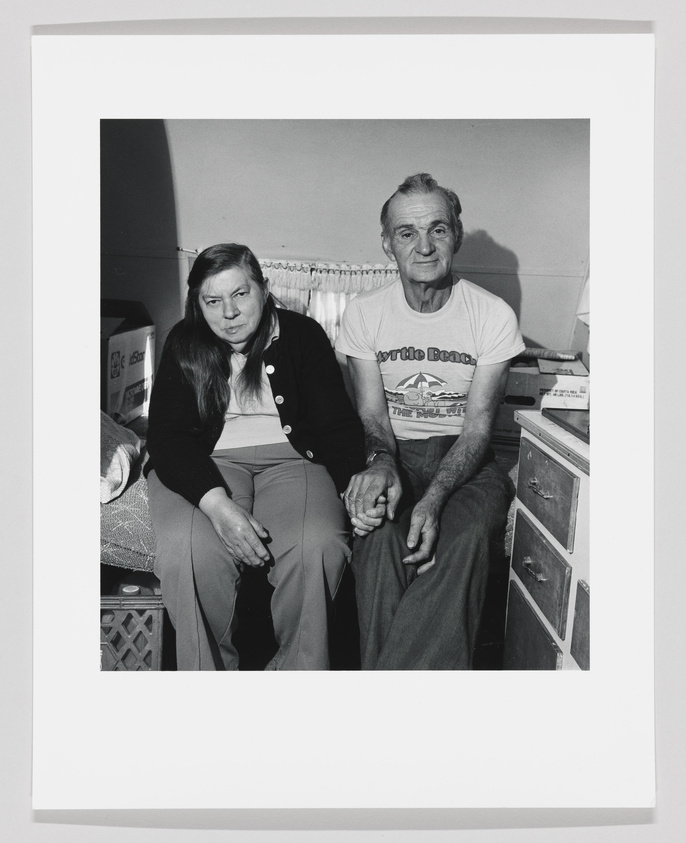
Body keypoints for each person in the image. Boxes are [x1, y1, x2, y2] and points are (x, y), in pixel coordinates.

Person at [335, 173, 525, 670]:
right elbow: (372, 415)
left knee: (464, 540)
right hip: (393, 453)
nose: (423, 246)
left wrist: (436, 499)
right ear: (387, 244)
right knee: (376, 544)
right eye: (407, 233)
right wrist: (380, 463)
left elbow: (479, 430)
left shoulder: (493, 315)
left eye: (438, 230)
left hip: (468, 461)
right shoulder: (364, 313)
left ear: (456, 236)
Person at [145, 243, 365, 670]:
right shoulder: (182, 342)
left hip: (295, 460)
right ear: (198, 304)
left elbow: (337, 427)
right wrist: (217, 505)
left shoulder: (304, 335)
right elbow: (167, 439)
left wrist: (354, 485)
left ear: (263, 290)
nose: (228, 313)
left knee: (317, 545)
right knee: (186, 550)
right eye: (213, 301)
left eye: (240, 294)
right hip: (204, 463)